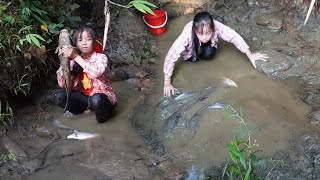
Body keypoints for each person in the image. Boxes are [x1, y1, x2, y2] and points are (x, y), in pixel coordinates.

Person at [163, 11, 268, 97]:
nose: (204, 37)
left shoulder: (217, 26)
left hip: (207, 47)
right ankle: (194, 55)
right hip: (191, 49)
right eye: (200, 33)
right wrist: (167, 82)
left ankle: (204, 51)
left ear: (212, 29)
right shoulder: (186, 35)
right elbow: (171, 56)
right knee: (192, 59)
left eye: (208, 33)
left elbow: (233, 36)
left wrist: (249, 54)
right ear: (195, 31)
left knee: (209, 54)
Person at [53, 26, 117, 123]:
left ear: (94, 42)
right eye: (80, 40)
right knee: (58, 97)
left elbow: (97, 72)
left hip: (101, 99)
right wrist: (63, 62)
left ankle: (102, 122)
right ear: (75, 45)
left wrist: (75, 56)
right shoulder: (73, 62)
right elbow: (62, 84)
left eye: (88, 39)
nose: (84, 43)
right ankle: (80, 115)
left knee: (96, 99)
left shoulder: (101, 58)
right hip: (84, 99)